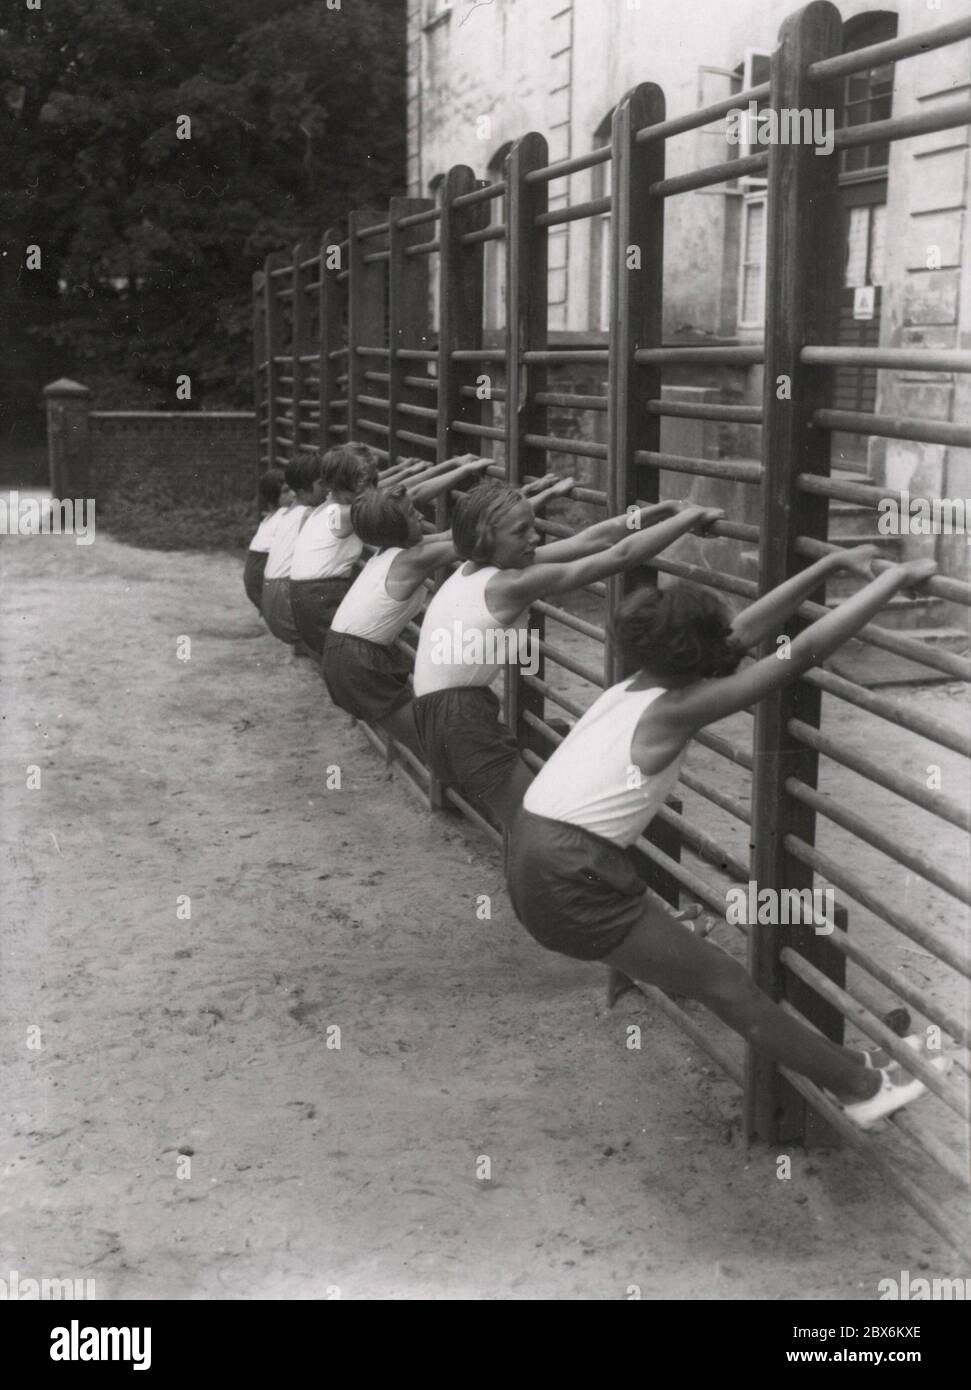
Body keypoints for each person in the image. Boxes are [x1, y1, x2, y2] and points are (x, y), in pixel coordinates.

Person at [506, 548, 945, 1130]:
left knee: (712, 976)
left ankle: (856, 1069)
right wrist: (889, 581)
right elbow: (800, 654)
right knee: (726, 984)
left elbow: (740, 634)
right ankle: (864, 1088)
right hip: (567, 870)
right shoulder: (677, 708)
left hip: (538, 852)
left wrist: (827, 566)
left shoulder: (637, 685)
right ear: (699, 654)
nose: (730, 640)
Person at [410, 479, 723, 831]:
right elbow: (619, 556)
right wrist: (688, 518)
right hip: (460, 719)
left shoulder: (475, 570)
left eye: (533, 527)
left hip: (437, 713)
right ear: (487, 537)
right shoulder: (510, 585)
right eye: (521, 531)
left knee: (528, 821)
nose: (535, 538)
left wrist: (664, 510)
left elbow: (595, 539)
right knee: (531, 825)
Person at [322, 467, 574, 753]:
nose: (419, 515)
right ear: (396, 526)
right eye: (410, 513)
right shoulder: (415, 557)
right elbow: (484, 534)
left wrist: (530, 494)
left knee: (441, 741)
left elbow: (481, 526)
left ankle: (527, 746)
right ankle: (537, 747)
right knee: (444, 745)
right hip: (358, 659)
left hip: (344, 651)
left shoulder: (391, 550)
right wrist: (546, 494)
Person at [260, 448, 326, 649]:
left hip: (270, 597)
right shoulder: (311, 514)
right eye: (322, 484)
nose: (328, 489)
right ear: (305, 489)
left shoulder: (286, 513)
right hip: (285, 598)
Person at [243, 469, 291, 612]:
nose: (293, 494)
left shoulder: (269, 518)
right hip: (260, 576)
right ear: (273, 495)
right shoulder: (284, 515)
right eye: (286, 491)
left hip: (253, 578)